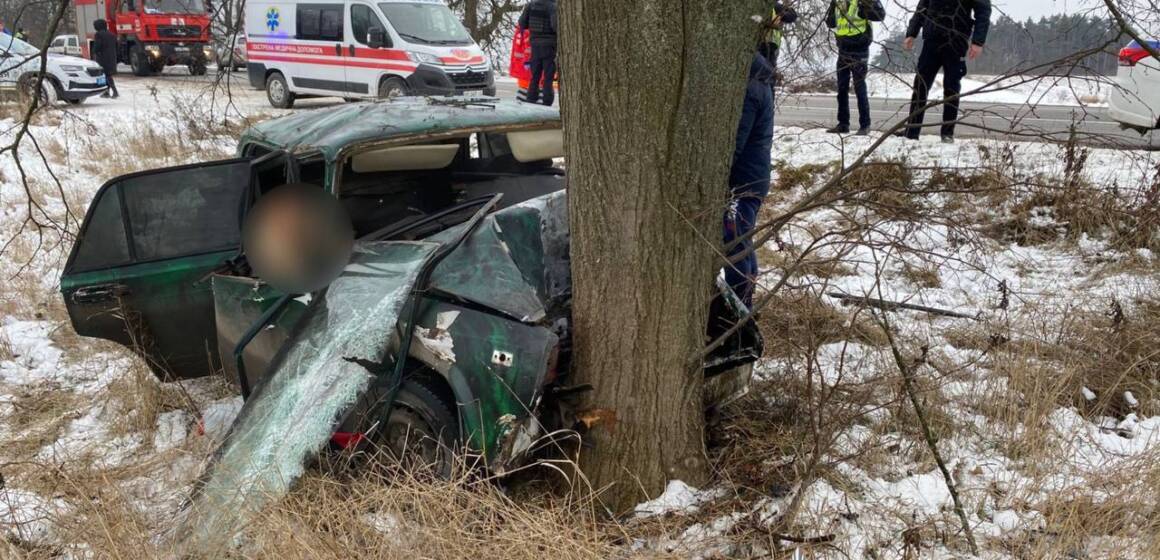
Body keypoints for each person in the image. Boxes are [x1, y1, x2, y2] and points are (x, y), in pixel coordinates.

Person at [899, 0, 992, 143]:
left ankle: (947, 133)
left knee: (951, 87)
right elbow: (922, 7)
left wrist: (978, 41)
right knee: (920, 85)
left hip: (956, 39)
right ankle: (911, 132)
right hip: (932, 38)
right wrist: (911, 33)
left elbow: (983, 11)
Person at [724, 54, 775, 307]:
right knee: (741, 242)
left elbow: (736, 141)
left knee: (734, 244)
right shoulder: (759, 83)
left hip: (744, 181)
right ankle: (746, 307)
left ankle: (741, 309)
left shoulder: (750, 90)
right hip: (752, 177)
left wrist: (722, 171)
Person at [825, 0, 885, 136]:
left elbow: (880, 15)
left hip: (860, 49)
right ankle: (843, 124)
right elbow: (830, 22)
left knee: (859, 87)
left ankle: (865, 125)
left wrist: (864, 10)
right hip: (843, 48)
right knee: (842, 88)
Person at [517, 0, 558, 107]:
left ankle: (531, 99)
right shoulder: (553, 6)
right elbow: (555, 26)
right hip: (550, 46)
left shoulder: (530, 5)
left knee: (535, 76)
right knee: (548, 78)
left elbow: (522, 23)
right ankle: (547, 102)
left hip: (535, 45)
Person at [758, 3, 799, 80]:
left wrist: (784, 13)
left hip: (770, 48)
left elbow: (792, 15)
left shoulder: (775, 7)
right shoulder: (770, 7)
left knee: (768, 76)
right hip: (762, 47)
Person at [92, 19, 119, 98]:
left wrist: (94, 51)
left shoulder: (98, 34)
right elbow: (117, 46)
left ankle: (115, 91)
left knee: (106, 75)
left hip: (102, 58)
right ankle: (106, 92)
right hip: (112, 57)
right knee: (107, 75)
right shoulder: (112, 34)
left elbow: (97, 46)